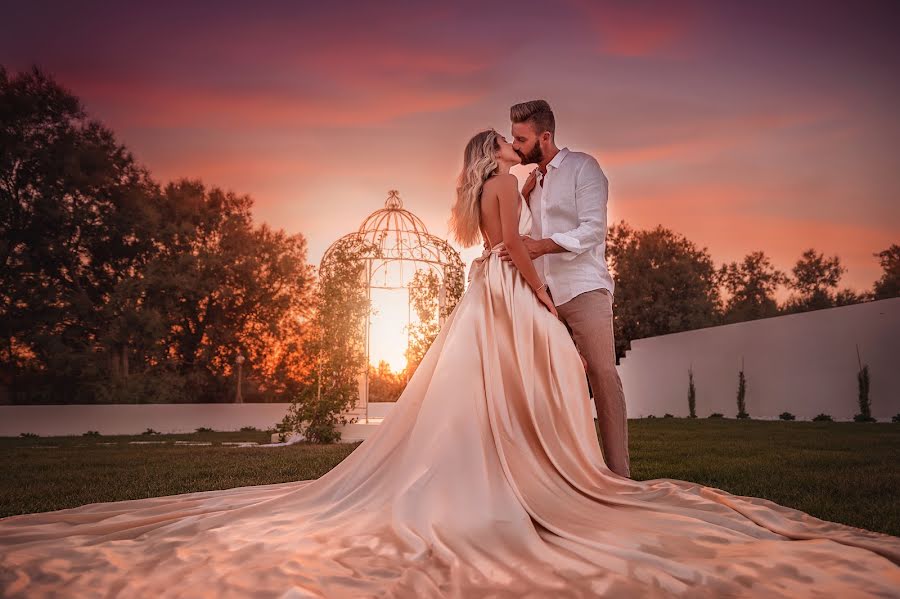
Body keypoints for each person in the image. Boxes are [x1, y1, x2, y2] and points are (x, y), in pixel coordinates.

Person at [0, 130, 898, 598]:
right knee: (526, 387)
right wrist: (546, 302)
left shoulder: (471, 195)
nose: (512, 150)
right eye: (503, 144)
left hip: (477, 297)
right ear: (493, 156)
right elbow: (511, 254)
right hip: (506, 295)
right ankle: (534, 479)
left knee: (478, 403)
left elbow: (481, 246)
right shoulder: (506, 188)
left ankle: (501, 471)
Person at [497, 99, 630, 477]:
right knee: (545, 381)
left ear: (545, 136)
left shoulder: (583, 168)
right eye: (512, 137)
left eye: (521, 138)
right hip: (543, 295)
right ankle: (562, 473)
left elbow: (592, 230)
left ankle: (620, 475)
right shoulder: (528, 184)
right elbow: (517, 235)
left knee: (602, 374)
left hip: (584, 288)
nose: (516, 144)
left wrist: (539, 246)